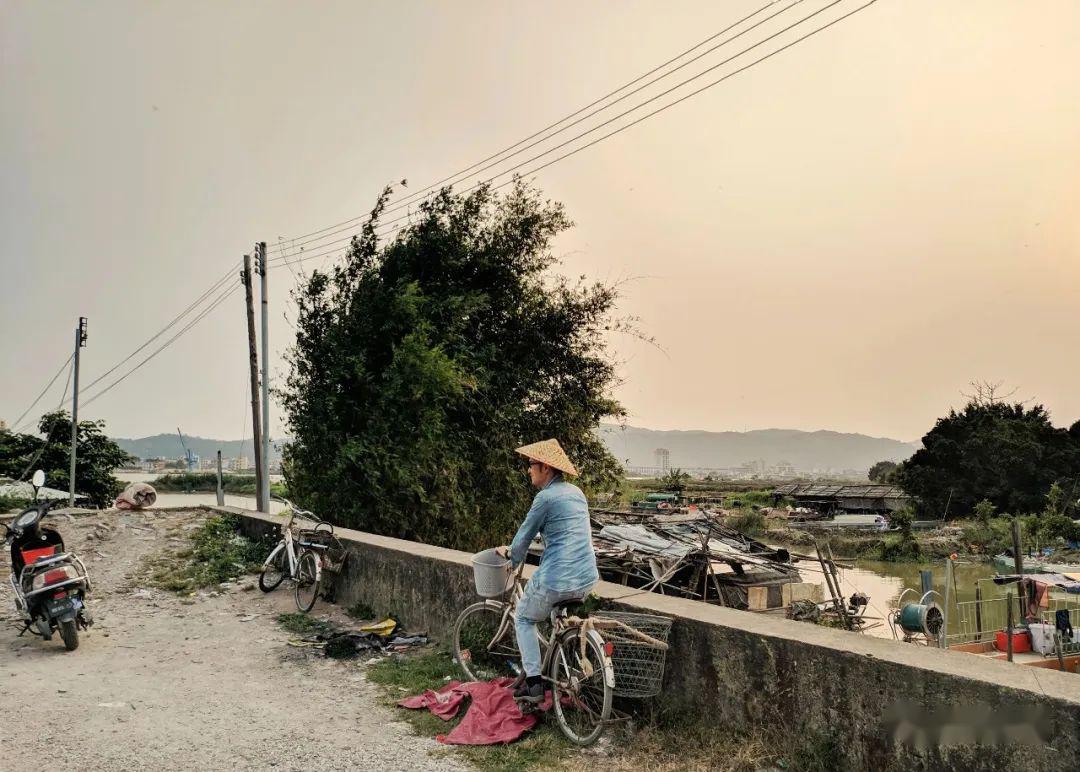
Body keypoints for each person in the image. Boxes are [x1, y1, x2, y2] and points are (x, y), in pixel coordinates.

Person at [497, 439, 598, 702]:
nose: (528, 470)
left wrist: (511, 554)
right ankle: (558, 663)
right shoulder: (576, 493)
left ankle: (534, 685)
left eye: (531, 465)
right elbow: (566, 531)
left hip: (558, 578)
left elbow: (523, 537)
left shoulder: (544, 498)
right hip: (586, 577)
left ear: (546, 468)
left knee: (524, 619)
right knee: (554, 614)